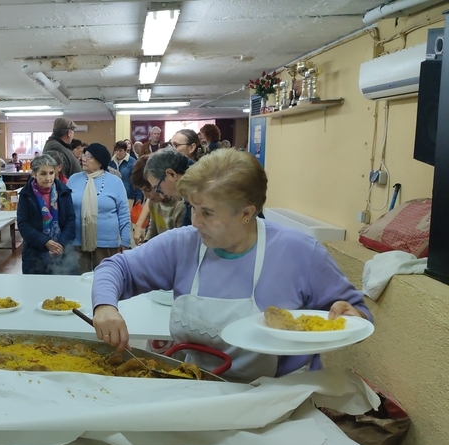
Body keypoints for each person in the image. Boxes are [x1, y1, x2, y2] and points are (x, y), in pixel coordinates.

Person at [91, 149, 373, 383]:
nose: (196, 221)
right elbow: (117, 269)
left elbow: (356, 315)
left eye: (208, 213)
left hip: (279, 398)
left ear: (246, 213)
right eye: (192, 207)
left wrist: (352, 316)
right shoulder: (183, 245)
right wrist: (105, 306)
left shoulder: (300, 252)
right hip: (194, 390)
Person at [66, 143, 131, 273]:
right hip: (78, 242)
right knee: (78, 280)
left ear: (100, 161)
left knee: (106, 279)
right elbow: (65, 210)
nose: (83, 158)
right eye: (84, 155)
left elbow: (123, 214)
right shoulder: (73, 179)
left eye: (89, 156)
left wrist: (125, 241)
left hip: (107, 243)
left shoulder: (115, 181)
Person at [17, 154, 76, 275]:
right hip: (35, 253)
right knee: (36, 290)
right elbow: (23, 224)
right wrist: (46, 242)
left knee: (62, 290)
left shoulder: (64, 192)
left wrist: (59, 244)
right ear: (34, 174)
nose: (48, 178)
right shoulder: (26, 195)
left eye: (51, 173)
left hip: (62, 250)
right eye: (43, 174)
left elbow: (71, 220)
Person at [130, 155, 186, 246]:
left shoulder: (180, 205)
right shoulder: (154, 202)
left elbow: (180, 245)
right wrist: (146, 244)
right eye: (142, 191)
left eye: (148, 190)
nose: (146, 195)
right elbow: (154, 226)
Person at [108, 141, 137, 208]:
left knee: (126, 217)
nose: (118, 153)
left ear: (125, 150)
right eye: (116, 150)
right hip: (113, 195)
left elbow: (137, 180)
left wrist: (138, 196)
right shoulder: (111, 163)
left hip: (128, 195)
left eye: (120, 150)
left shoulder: (132, 162)